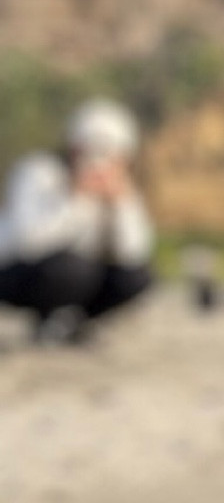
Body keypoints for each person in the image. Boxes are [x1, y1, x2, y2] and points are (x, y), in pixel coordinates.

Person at [0, 97, 155, 341]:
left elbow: (134, 255)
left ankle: (70, 324)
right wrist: (78, 200)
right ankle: (49, 318)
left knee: (135, 277)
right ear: (74, 148)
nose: (99, 162)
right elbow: (27, 242)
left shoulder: (120, 190)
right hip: (17, 271)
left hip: (81, 278)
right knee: (72, 268)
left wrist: (122, 205)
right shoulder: (38, 172)